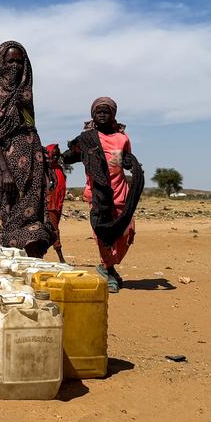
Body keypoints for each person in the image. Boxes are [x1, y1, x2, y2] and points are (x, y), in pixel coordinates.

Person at [0, 41, 55, 257]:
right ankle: (14, 267)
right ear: (0, 62)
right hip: (9, 164)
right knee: (12, 215)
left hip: (35, 161)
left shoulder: (26, 92)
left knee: (36, 217)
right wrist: (4, 171)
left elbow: (30, 126)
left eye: (19, 62)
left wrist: (45, 162)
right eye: (9, 61)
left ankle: (34, 266)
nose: (15, 66)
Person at [61, 97, 144, 293]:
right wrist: (53, 157)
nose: (102, 114)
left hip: (121, 193)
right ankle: (109, 270)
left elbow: (126, 160)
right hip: (97, 196)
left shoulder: (122, 138)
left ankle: (106, 268)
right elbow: (70, 156)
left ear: (113, 115)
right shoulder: (86, 139)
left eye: (107, 111)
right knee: (103, 236)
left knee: (126, 233)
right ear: (93, 115)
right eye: (99, 111)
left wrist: (131, 166)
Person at [45, 144, 67, 263]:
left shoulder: (59, 169)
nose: (54, 158)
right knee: (55, 230)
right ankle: (61, 258)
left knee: (51, 229)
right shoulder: (45, 170)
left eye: (56, 156)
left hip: (58, 204)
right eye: (52, 155)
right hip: (49, 204)